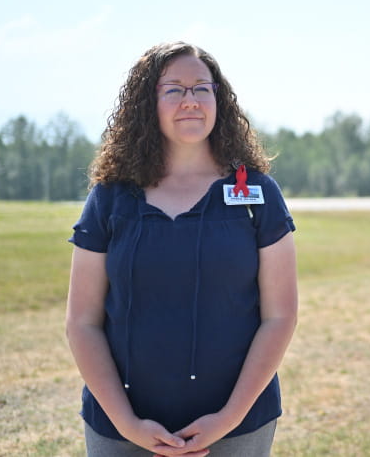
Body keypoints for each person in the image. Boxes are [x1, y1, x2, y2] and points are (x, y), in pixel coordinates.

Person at [66, 41, 298, 457]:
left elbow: (280, 316)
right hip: (122, 432)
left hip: (238, 430)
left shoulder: (257, 193)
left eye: (201, 88)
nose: (190, 100)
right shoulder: (110, 198)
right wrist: (128, 424)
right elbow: (82, 322)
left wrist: (228, 418)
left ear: (218, 99)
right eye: (173, 89)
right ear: (146, 104)